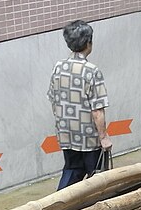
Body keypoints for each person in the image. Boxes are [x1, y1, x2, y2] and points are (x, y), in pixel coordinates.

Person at [48, 20, 112, 190]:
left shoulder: (58, 67)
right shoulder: (92, 71)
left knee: (71, 170)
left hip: (66, 134)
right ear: (88, 43)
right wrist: (104, 137)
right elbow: (97, 110)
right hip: (89, 137)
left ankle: (59, 205)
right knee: (97, 179)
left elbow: (53, 99)